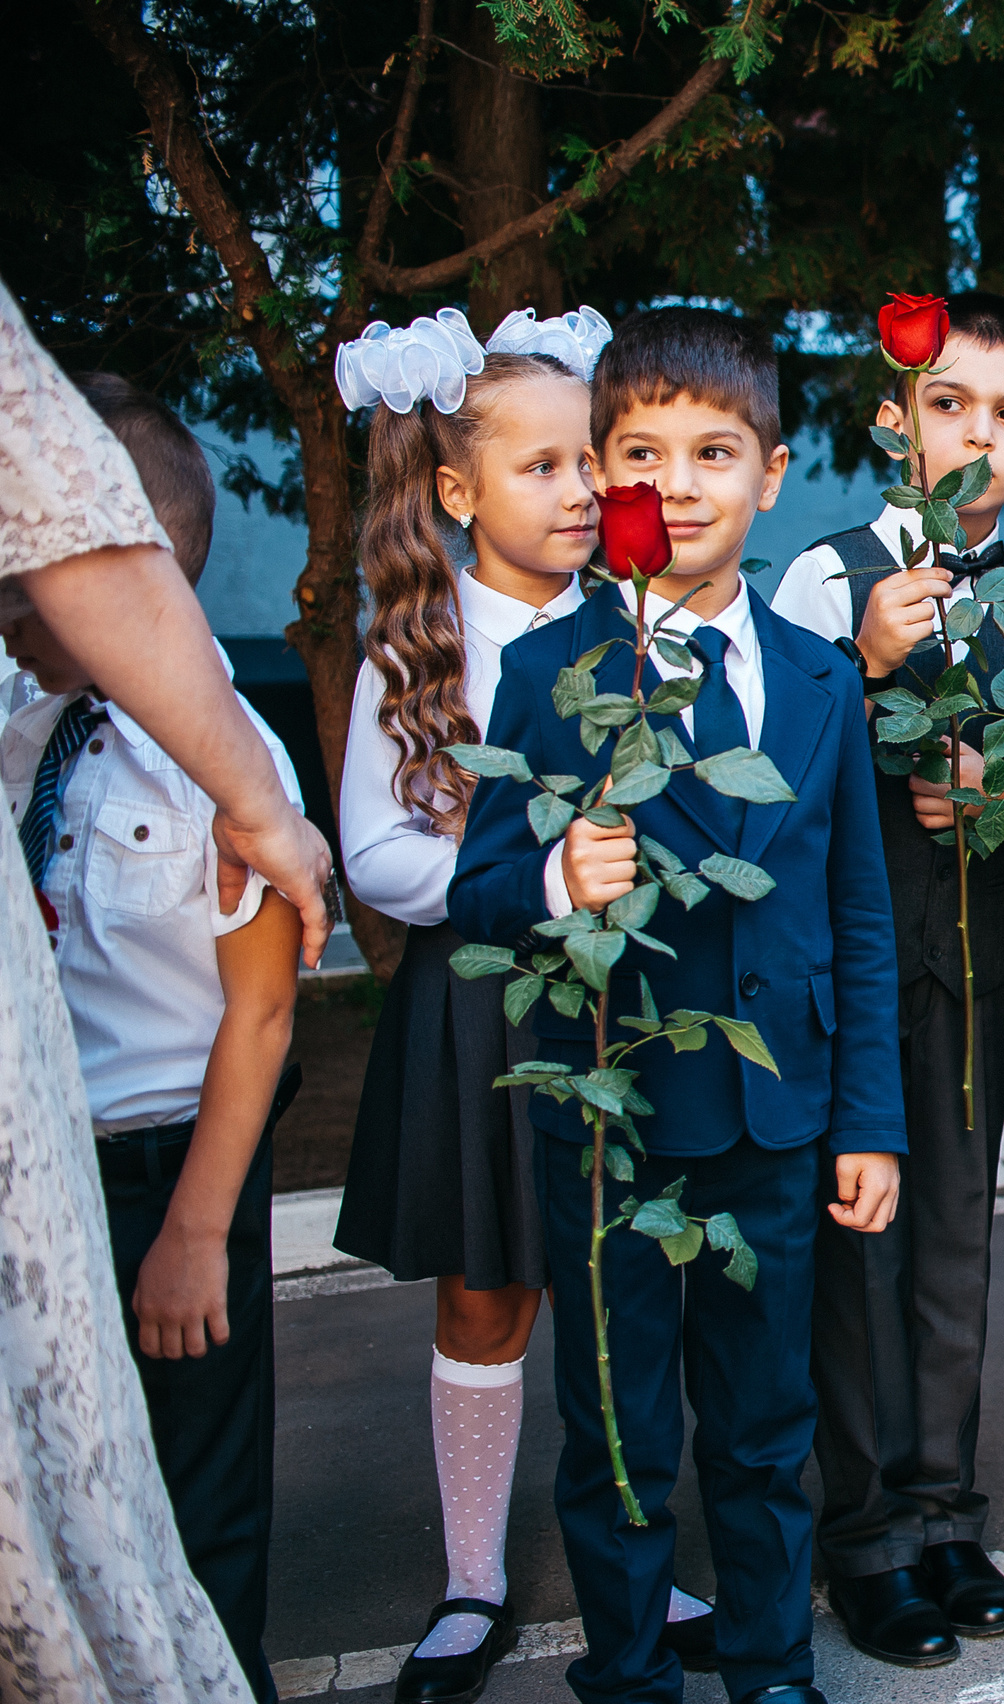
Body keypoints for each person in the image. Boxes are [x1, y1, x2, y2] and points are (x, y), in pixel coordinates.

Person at [448, 306, 905, 1704]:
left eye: (717, 451)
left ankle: (772, 1667)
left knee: (768, 1425)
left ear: (772, 475)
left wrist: (866, 1119)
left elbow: (858, 919)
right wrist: (554, 876)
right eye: (642, 453)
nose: (682, 482)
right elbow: (472, 895)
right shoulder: (549, 674)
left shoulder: (823, 680)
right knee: (620, 1430)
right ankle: (633, 1673)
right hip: (616, 1125)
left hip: (779, 1120)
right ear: (602, 478)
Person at [323, 308, 702, 1701]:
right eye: (541, 468)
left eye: (590, 462)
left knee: (628, 1292)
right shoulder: (414, 658)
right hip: (486, 1013)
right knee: (489, 1298)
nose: (583, 494)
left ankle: (638, 1564)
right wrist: (537, 877)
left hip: (629, 1000)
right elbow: (378, 860)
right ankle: (473, 1582)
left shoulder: (640, 629)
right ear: (457, 491)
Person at [0, 276, 331, 1704]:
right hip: (45, 1178)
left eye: (31, 572)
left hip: (170, 1172)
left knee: (197, 1510)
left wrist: (197, 1232)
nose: (9, 598)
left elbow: (260, 1011)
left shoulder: (227, 759)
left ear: (145, 564)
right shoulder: (27, 734)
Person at [769, 293, 1004, 1668]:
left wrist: (999, 794)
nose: (979, 435)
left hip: (973, 961)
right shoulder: (825, 582)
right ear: (895, 420)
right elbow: (768, 789)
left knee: (956, 1239)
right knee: (858, 1256)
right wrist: (859, 668)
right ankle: (866, 1534)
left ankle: (945, 1512)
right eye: (952, 405)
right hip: (848, 979)